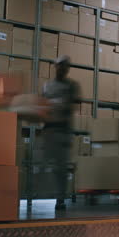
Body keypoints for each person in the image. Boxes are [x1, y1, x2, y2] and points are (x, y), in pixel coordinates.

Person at [40, 55, 80, 211]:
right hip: (48, 130)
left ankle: (60, 199)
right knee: (43, 165)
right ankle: (35, 195)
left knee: (61, 168)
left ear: (67, 69)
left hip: (63, 130)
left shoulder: (72, 86)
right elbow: (41, 106)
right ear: (55, 67)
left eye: (64, 66)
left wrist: (57, 106)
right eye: (59, 65)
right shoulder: (47, 86)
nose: (61, 68)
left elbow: (71, 107)